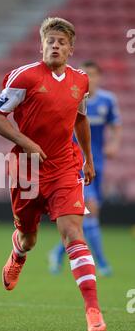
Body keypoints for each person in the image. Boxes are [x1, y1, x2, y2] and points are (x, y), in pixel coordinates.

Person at [0, 18, 107, 331]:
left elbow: (81, 119)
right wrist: (26, 143)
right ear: (41, 45)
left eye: (61, 42)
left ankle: (92, 310)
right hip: (26, 170)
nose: (55, 45)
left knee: (72, 232)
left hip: (65, 168)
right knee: (29, 238)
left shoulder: (80, 81)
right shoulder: (24, 77)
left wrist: (89, 161)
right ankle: (18, 252)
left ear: (70, 49)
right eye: (50, 40)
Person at [49, 60, 121, 276]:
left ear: (99, 77)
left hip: (97, 163)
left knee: (82, 217)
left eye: (93, 74)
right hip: (74, 163)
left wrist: (114, 143)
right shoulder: (72, 97)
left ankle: (57, 253)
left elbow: (116, 125)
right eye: (86, 74)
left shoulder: (107, 100)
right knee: (90, 211)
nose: (89, 78)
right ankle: (102, 263)